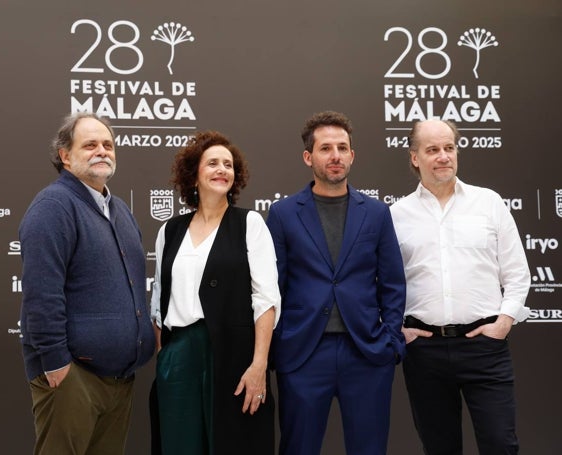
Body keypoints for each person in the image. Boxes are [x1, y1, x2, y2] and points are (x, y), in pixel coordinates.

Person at [266, 111, 406, 455]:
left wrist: (390, 342)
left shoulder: (376, 213)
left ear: (352, 155)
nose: (335, 156)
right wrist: (281, 343)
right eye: (326, 148)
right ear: (308, 156)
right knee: (298, 448)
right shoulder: (283, 213)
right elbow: (273, 286)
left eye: (342, 148)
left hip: (367, 353)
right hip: (303, 354)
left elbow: (392, 284)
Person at [390, 119, 530, 455]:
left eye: (449, 148)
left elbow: (517, 273)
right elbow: (383, 283)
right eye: (433, 149)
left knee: (501, 444)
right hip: (424, 352)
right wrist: (400, 328)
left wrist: (504, 321)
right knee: (440, 448)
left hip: (485, 348)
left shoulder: (489, 203)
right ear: (414, 157)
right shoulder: (396, 214)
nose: (443, 156)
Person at [19, 112, 155, 455]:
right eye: (90, 144)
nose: (102, 151)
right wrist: (56, 364)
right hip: (72, 378)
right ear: (65, 155)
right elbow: (41, 294)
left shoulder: (120, 210)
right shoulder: (54, 206)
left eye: (108, 145)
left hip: (119, 379)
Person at [149, 130, 281, 455]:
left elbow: (266, 301)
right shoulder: (170, 230)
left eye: (228, 164)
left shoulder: (249, 224)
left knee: (234, 443)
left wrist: (259, 365)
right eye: (213, 163)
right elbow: (158, 301)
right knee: (179, 445)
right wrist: (166, 356)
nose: (222, 169)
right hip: (179, 356)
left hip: (235, 357)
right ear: (194, 173)